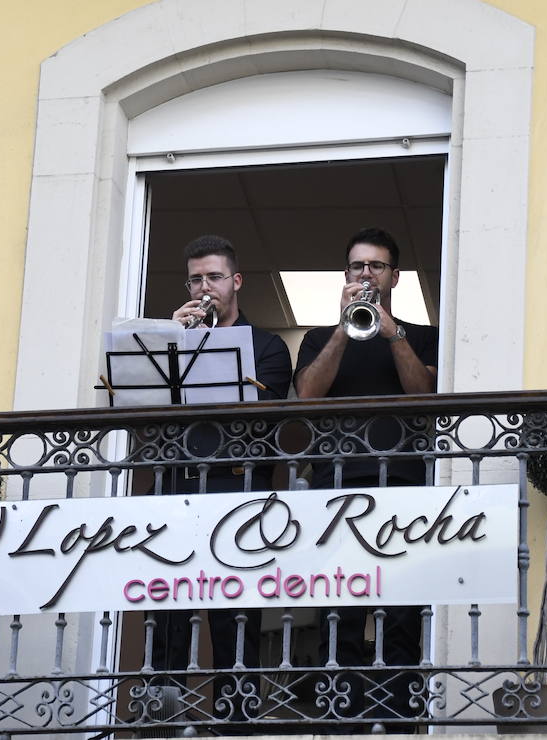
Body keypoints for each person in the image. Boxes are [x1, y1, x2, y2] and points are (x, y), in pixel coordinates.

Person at [293, 227, 439, 731]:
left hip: (404, 482)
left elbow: (424, 398)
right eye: (357, 267)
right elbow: (308, 397)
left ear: (395, 277)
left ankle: (399, 716)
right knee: (339, 605)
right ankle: (343, 715)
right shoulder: (317, 338)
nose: (365, 275)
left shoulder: (421, 335)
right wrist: (342, 328)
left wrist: (391, 332)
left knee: (401, 604)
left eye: (375, 267)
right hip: (336, 485)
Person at [150, 234, 291, 730]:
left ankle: (235, 721)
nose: (204, 287)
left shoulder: (269, 346)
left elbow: (262, 420)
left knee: (235, 612)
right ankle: (161, 719)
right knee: (164, 609)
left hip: (236, 489)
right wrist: (174, 342)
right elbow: (146, 409)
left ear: (236, 281)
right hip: (177, 485)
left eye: (213, 277)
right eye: (195, 278)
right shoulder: (172, 342)